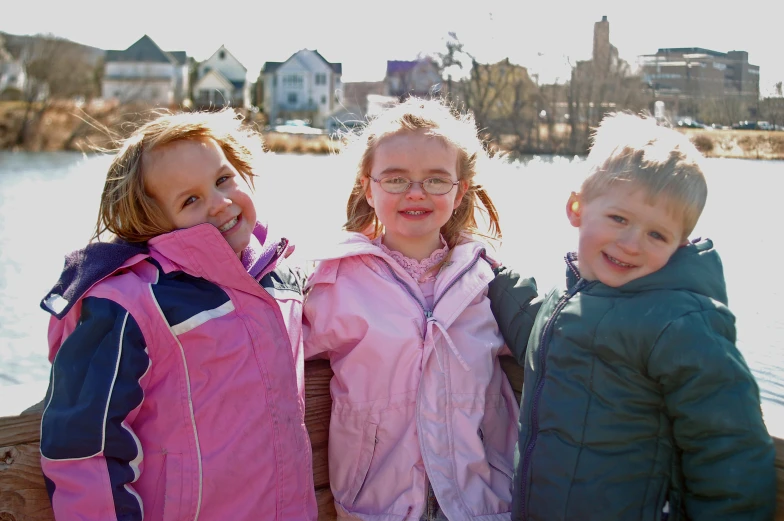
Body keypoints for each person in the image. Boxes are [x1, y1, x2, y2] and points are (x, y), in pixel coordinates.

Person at [488, 112, 777, 520]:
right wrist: (492, 278)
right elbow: (536, 331)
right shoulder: (569, 297)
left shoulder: (680, 324)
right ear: (576, 207)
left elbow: (730, 450)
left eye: (656, 234)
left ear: (679, 245)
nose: (630, 243)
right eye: (619, 219)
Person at [38, 109, 317, 521]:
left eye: (223, 179)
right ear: (154, 220)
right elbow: (85, 447)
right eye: (190, 200)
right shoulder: (130, 305)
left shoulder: (279, 278)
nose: (221, 204)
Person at [303, 97, 518, 520]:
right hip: (378, 502)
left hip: (479, 500)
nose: (416, 193)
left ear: (460, 192)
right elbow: (275, 345)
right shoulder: (336, 281)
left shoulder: (486, 282)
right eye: (396, 179)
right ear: (368, 187)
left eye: (436, 180)